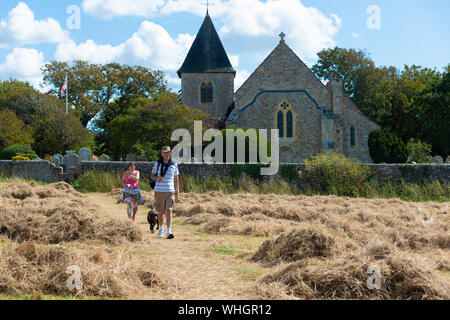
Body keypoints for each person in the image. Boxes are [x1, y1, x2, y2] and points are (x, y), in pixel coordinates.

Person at [151, 146, 179, 239]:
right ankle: (161, 229)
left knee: (169, 210)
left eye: (168, 152)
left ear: (170, 153)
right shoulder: (157, 163)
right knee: (160, 212)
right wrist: (157, 178)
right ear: (162, 154)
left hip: (170, 191)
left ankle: (169, 231)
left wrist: (177, 191)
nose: (166, 154)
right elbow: (152, 176)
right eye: (164, 153)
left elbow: (176, 179)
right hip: (159, 191)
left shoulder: (174, 164)